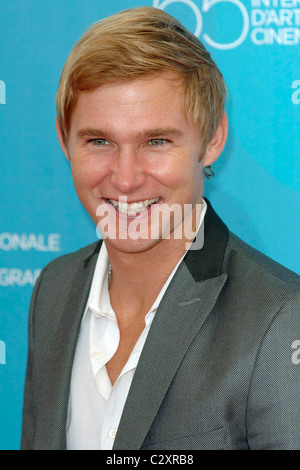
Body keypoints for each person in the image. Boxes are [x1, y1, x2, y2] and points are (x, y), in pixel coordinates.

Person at [21, 6, 300, 450]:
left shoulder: (281, 318)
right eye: (99, 141)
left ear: (212, 139)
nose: (126, 178)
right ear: (63, 139)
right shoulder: (54, 289)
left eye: (156, 142)